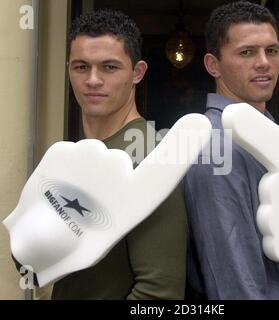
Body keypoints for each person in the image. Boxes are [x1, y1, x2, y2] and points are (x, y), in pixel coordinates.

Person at [51, 9, 188, 299]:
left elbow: (159, 292)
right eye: (80, 67)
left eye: (109, 67)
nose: (93, 80)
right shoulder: (79, 153)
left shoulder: (149, 158)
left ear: (137, 73)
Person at [183, 1, 279, 300]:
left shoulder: (268, 133)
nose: (264, 62)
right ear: (213, 65)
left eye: (272, 50)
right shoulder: (216, 147)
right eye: (247, 52)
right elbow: (233, 280)